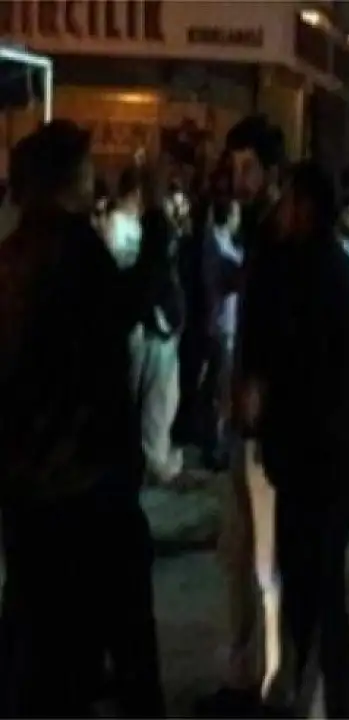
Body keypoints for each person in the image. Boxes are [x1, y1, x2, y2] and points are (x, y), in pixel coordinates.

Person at [0, 120, 163, 717]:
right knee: (122, 642)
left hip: (26, 494)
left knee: (35, 644)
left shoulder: (9, 260)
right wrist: (158, 224)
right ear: (67, 180)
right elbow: (129, 303)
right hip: (91, 488)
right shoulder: (76, 250)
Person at [238, 160, 349, 717]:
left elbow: (274, 366)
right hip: (337, 457)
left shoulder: (295, 278)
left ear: (307, 208)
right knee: (328, 582)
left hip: (302, 455)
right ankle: (333, 696)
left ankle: (309, 690)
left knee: (303, 582)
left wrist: (262, 416)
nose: (282, 211)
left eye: (290, 201)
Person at [198, 114, 289, 717]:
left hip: (269, 428)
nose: (239, 180)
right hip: (244, 420)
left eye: (249, 169)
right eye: (234, 169)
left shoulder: (283, 239)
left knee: (264, 563)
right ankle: (242, 673)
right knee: (238, 553)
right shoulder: (258, 235)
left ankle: (270, 680)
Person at [131, 167, 188, 486]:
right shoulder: (157, 234)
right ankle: (154, 459)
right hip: (156, 335)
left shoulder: (155, 226)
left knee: (158, 402)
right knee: (157, 403)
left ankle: (153, 457)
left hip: (157, 332)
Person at [201, 168, 243, 472]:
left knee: (222, 387)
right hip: (222, 325)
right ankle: (215, 445)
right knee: (220, 390)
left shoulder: (225, 241)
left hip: (227, 323)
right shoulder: (216, 244)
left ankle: (218, 441)